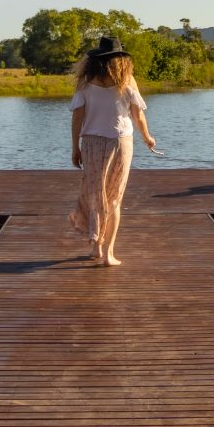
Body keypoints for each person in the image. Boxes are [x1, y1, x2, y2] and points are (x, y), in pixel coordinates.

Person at [69, 35, 158, 264]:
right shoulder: (128, 80)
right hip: (120, 142)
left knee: (96, 195)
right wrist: (147, 137)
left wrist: (75, 148)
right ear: (121, 58)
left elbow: (77, 117)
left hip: (91, 143)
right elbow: (138, 115)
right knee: (114, 199)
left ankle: (96, 248)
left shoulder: (85, 82)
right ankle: (108, 253)